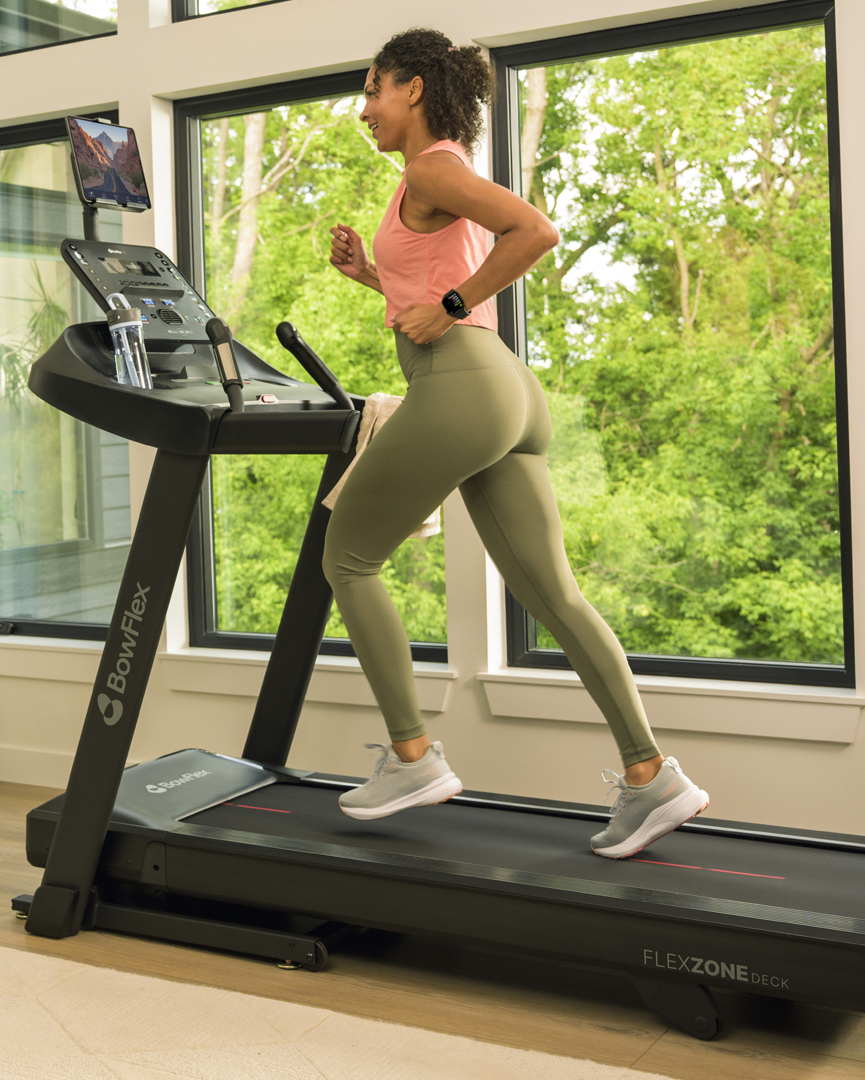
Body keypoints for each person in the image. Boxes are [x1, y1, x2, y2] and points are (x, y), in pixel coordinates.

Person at [322, 27, 708, 859]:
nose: (366, 108)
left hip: (462, 383)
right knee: (556, 596)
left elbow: (534, 231)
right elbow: (430, 281)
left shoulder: (434, 166)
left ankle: (412, 756)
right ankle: (653, 778)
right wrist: (373, 278)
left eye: (375, 89)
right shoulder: (429, 179)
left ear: (415, 88)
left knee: (347, 558)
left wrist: (454, 306)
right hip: (505, 392)